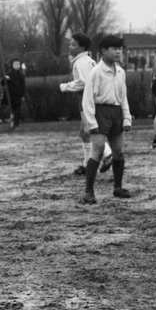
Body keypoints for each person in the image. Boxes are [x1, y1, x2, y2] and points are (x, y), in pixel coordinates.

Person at [79, 34, 133, 204]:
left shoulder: (121, 72)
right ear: (103, 51)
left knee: (118, 151)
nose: (118, 52)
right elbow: (87, 99)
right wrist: (91, 123)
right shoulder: (96, 72)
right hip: (100, 113)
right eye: (114, 49)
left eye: (120, 49)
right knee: (98, 149)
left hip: (116, 113)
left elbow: (123, 96)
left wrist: (126, 118)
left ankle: (117, 187)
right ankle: (89, 192)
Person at [59, 32, 113, 176]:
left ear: (81, 47)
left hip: (86, 99)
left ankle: (108, 154)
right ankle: (87, 164)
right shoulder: (87, 60)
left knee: (90, 130)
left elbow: (83, 82)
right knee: (85, 133)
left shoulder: (81, 62)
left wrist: (65, 86)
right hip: (90, 98)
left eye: (73, 44)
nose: (70, 47)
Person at [5, 60, 27, 129]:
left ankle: (16, 123)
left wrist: (23, 95)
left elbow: (23, 85)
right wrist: (5, 79)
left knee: (17, 109)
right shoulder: (9, 73)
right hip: (11, 94)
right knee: (12, 109)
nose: (17, 66)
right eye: (15, 64)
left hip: (18, 95)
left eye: (18, 64)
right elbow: (3, 83)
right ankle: (12, 122)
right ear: (12, 65)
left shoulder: (21, 74)